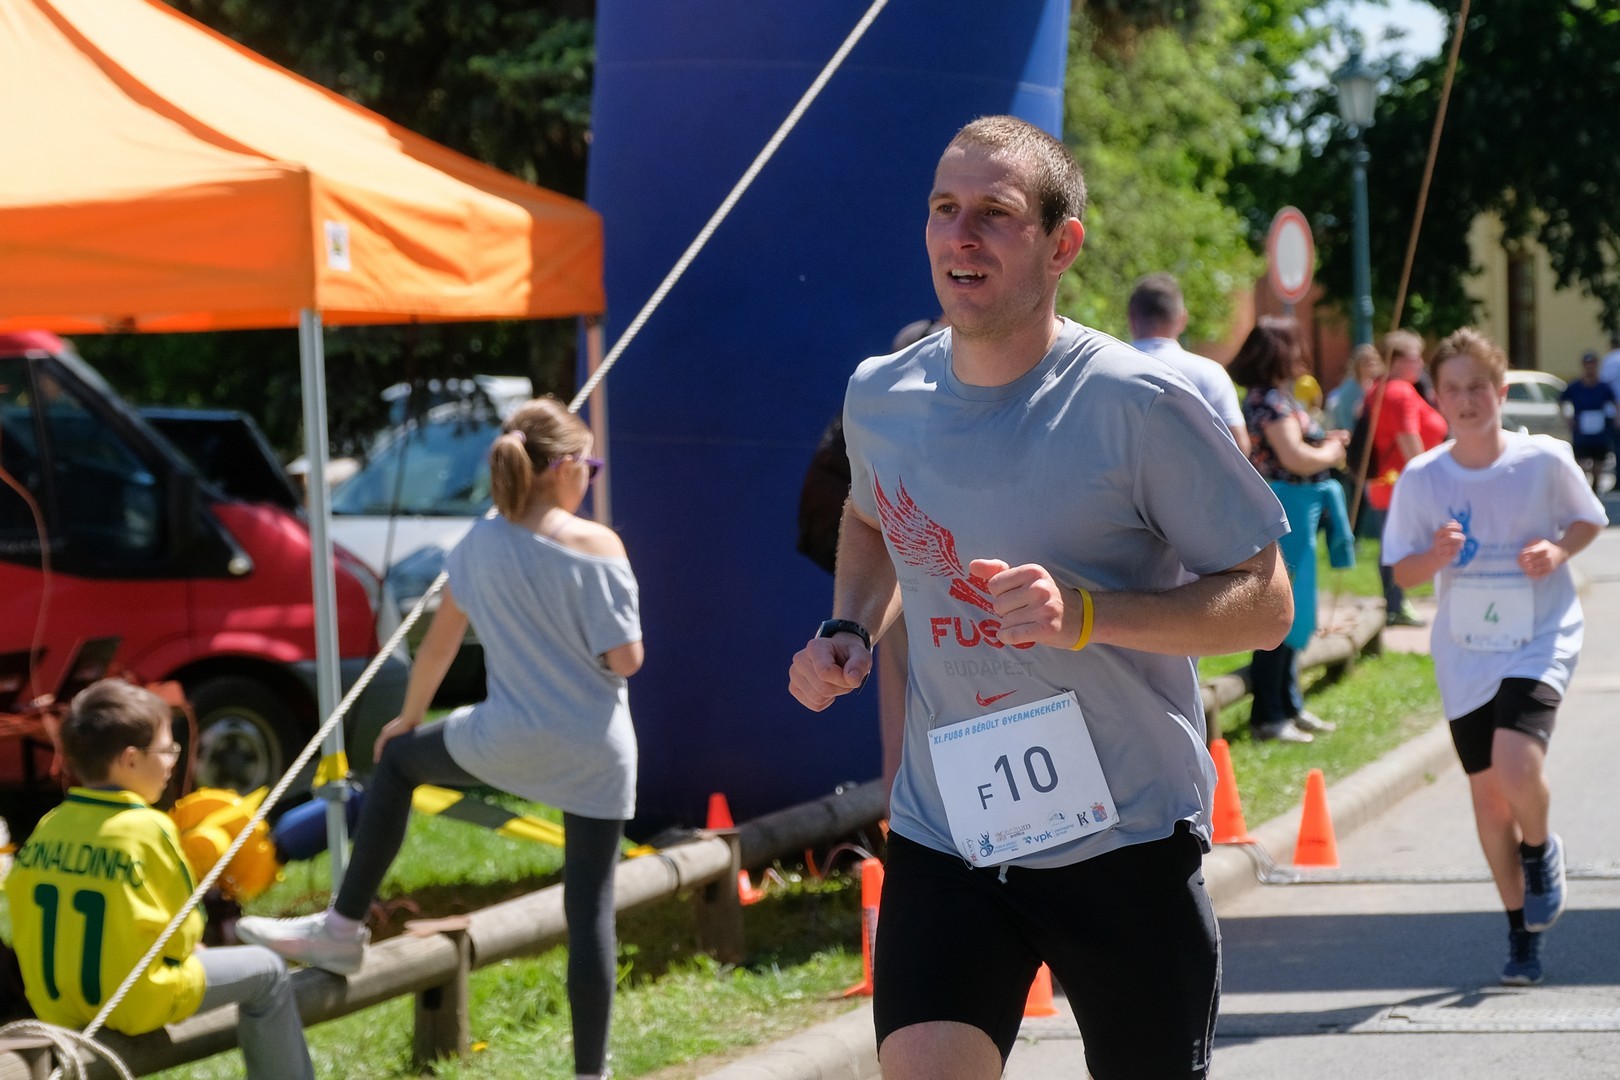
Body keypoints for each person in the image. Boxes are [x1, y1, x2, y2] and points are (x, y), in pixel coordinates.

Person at [787, 115, 1292, 1080]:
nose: (961, 235)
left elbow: (1267, 604)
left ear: (1062, 245)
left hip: (1124, 836)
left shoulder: (1137, 405)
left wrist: (1090, 614)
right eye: (944, 209)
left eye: (996, 213)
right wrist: (849, 625)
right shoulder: (880, 395)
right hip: (949, 831)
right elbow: (871, 517)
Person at [237, 397, 643, 1080]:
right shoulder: (598, 544)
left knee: (399, 762)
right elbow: (626, 660)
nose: (592, 477)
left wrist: (408, 718)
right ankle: (589, 1074)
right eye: (591, 466)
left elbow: (438, 645)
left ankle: (342, 928)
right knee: (590, 908)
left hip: (505, 737)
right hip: (595, 749)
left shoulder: (476, 544)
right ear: (566, 466)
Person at [1383, 328, 1606, 987]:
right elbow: (1402, 572)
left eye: (1478, 386)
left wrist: (1558, 550)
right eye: (1453, 388)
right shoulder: (1424, 477)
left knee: (1516, 762)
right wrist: (1436, 555)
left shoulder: (1543, 460)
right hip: (1466, 651)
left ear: (1501, 391)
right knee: (1488, 802)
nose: (1467, 399)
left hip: (1539, 634)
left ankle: (1539, 850)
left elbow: (1589, 518)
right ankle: (1521, 933)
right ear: (1437, 397)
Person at [4, 680, 314, 1080]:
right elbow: (184, 931)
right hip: (134, 1002)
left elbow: (20, 913)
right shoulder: (151, 828)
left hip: (55, 1003)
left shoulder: (49, 825)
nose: (172, 762)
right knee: (268, 970)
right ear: (130, 760)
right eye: (166, 750)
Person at [1228, 317, 1354, 744]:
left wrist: (1323, 442)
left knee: (1294, 610)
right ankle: (1269, 715)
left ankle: (1289, 703)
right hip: (1285, 512)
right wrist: (1332, 450)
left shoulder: (1275, 398)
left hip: (1295, 511)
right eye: (1295, 345)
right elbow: (1295, 458)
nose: (1302, 353)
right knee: (1279, 610)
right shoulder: (1269, 402)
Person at [1364, 330, 1448, 626]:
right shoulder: (1399, 392)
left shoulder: (1379, 388)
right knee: (1402, 546)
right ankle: (1396, 605)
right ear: (1397, 360)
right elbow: (1408, 439)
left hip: (1386, 483)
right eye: (1416, 357)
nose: (1421, 363)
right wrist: (1429, 479)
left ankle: (1395, 604)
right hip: (1400, 483)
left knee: (1392, 543)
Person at [1127, 272, 1250, 455]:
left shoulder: (1102, 369)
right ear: (1182, 319)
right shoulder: (1210, 374)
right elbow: (1239, 447)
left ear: (1131, 317)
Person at [1557, 350, 1616, 494]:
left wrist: (1616, 418)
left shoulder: (1603, 387)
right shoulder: (1575, 386)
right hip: (1581, 429)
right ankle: (1583, 488)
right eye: (1587, 364)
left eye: (1593, 364)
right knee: (1582, 462)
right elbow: (1561, 401)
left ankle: (1595, 488)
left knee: (1598, 463)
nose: (1590, 367)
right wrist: (1568, 419)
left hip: (1599, 430)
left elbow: (1615, 402)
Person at [1326, 343, 1384, 434]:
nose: (1371, 365)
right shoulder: (1348, 390)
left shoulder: (1381, 384)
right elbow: (1346, 421)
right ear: (1358, 366)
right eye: (1366, 362)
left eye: (1373, 361)